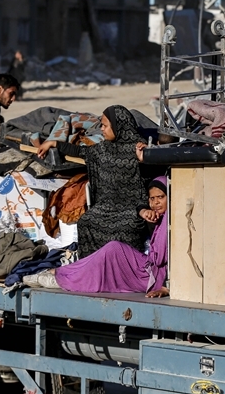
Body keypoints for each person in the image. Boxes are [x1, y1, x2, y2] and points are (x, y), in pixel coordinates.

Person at [26, 177, 170, 297]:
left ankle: (65, 279)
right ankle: (63, 272)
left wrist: (165, 287)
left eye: (161, 197)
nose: (155, 202)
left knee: (110, 256)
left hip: (154, 278)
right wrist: (146, 213)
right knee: (114, 247)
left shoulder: (171, 220)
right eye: (152, 198)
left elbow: (171, 259)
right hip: (149, 268)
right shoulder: (161, 219)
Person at [35, 105, 148, 257]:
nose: (101, 129)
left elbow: (149, 178)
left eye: (105, 126)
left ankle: (125, 268)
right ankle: (92, 267)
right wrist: (54, 143)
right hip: (106, 206)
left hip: (131, 207)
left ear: (118, 126)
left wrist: (144, 159)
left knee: (127, 227)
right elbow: (79, 151)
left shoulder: (139, 148)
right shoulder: (101, 150)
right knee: (87, 222)